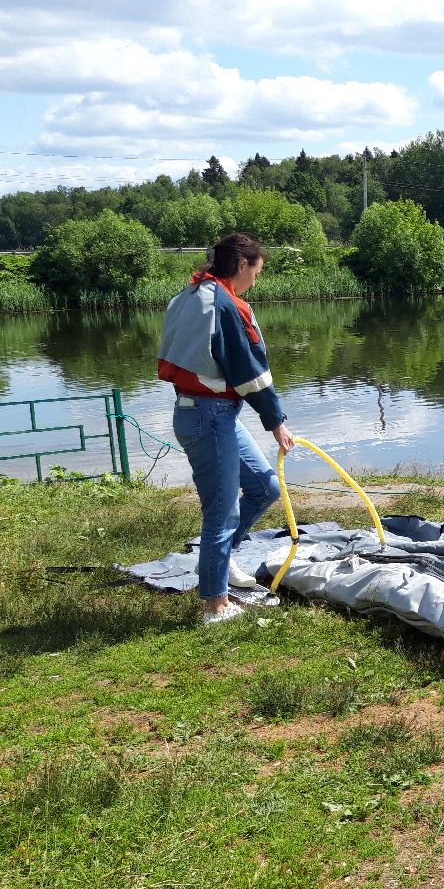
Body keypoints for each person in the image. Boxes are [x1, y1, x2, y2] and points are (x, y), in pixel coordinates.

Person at [157, 233, 295, 624]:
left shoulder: (190, 294)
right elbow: (247, 370)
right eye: (256, 271)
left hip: (208, 413)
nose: (256, 279)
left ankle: (218, 562)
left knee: (265, 486)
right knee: (222, 510)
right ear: (241, 266)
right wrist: (276, 422)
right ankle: (215, 605)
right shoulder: (225, 305)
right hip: (208, 416)